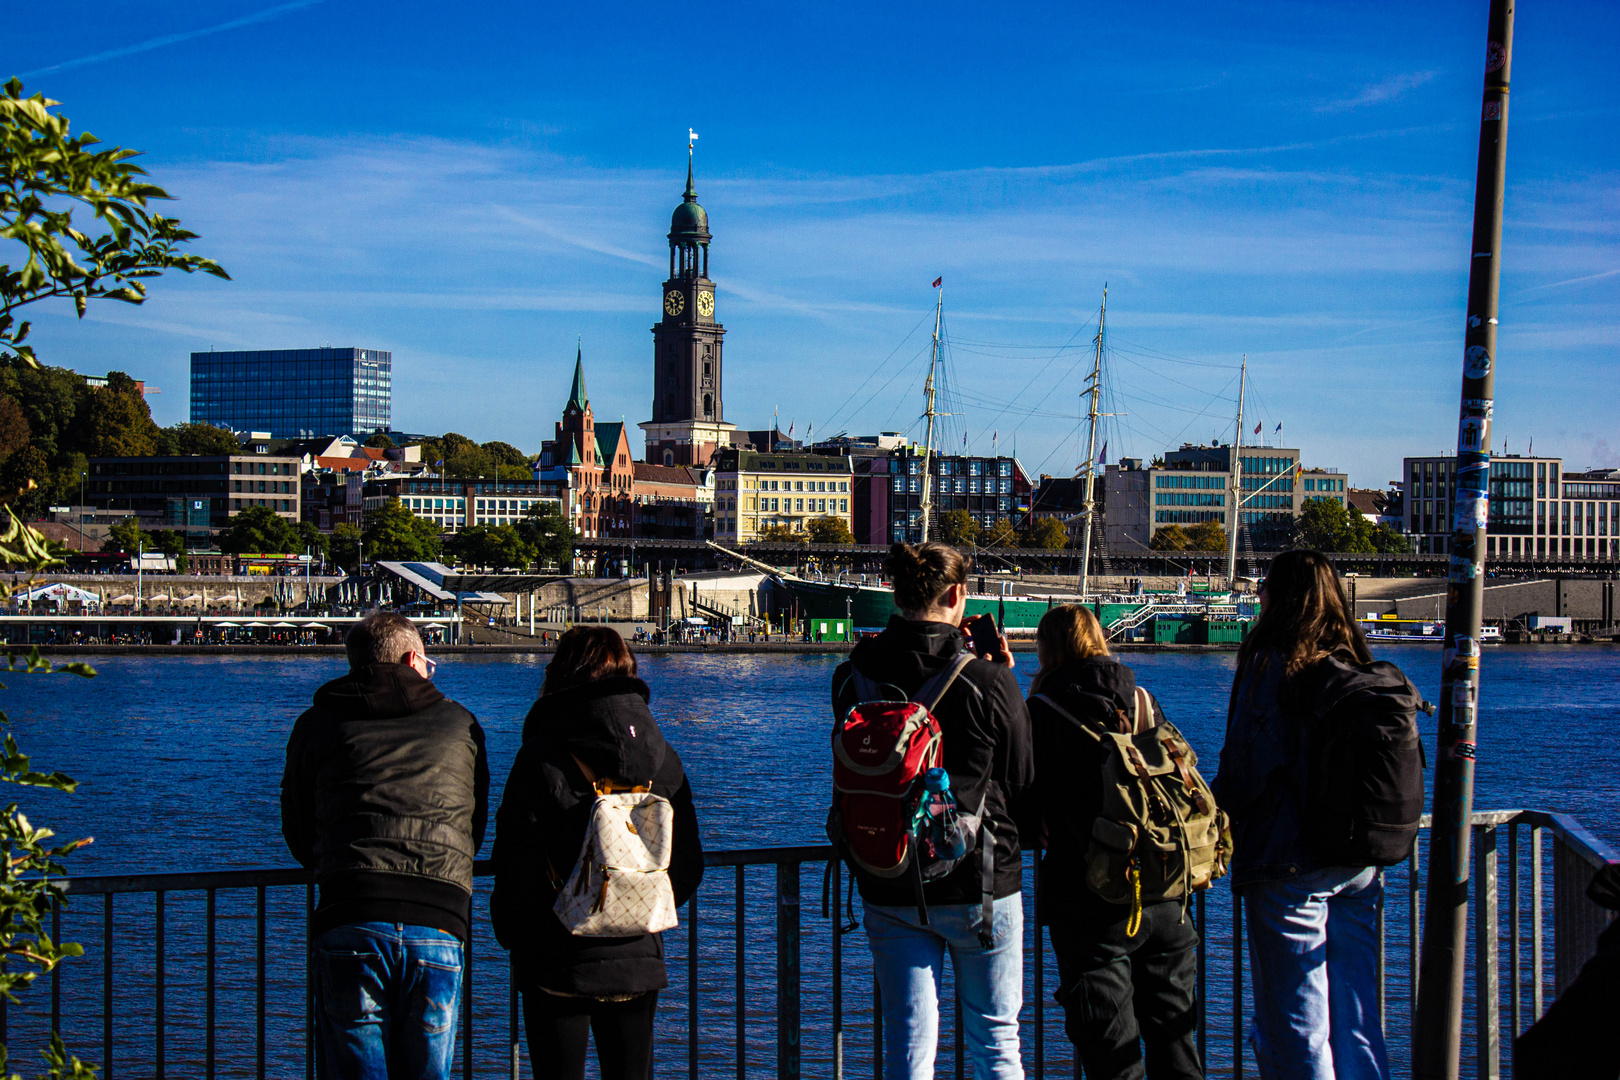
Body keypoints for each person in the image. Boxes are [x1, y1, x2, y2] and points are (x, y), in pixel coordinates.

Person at [830, 541, 1037, 1080]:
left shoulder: (852, 677)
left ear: (898, 592)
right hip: (980, 882)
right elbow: (1020, 778)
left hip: (887, 874)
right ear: (957, 594)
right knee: (995, 1039)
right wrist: (1001, 678)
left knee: (907, 1039)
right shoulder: (987, 679)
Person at [281, 611, 489, 1080]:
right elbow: (473, 828)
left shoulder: (317, 724)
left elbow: (297, 829)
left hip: (350, 910)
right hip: (438, 918)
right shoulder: (460, 724)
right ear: (414, 658)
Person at [491, 626, 702, 1080]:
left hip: (557, 958)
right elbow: (686, 867)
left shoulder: (542, 755)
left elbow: (515, 864)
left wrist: (521, 936)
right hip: (637, 959)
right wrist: (636, 907)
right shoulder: (663, 758)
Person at [1212, 549, 1389, 1080]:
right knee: (1358, 1018)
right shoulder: (1354, 660)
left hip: (1288, 859)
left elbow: (1246, 764)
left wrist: (1215, 814)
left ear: (1281, 598)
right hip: (1358, 859)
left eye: (1265, 585)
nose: (1258, 593)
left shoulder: (1273, 663)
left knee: (1296, 1026)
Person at [1027, 605, 1202, 1080]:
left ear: (1048, 649)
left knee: (1111, 1057)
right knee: (1176, 1043)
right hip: (1164, 892)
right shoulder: (1141, 699)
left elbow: (1023, 797)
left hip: (1091, 899)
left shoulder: (1042, 709)